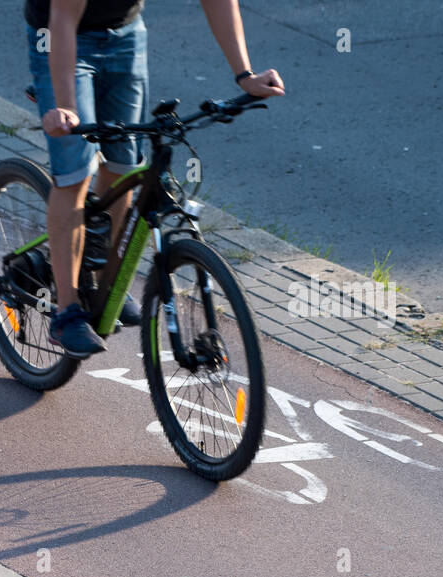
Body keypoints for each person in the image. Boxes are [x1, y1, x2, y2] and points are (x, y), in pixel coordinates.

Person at [26, 0, 284, 357]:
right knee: (74, 174)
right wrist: (66, 107)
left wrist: (245, 75)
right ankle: (67, 311)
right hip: (63, 37)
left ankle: (107, 286)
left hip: (126, 35)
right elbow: (63, 18)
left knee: (124, 167)